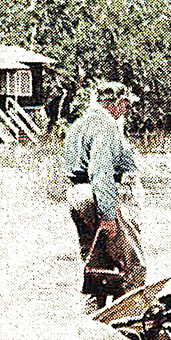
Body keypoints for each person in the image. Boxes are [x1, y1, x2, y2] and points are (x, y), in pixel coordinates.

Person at [61, 81, 146, 306]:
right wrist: (108, 215)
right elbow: (101, 172)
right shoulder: (106, 125)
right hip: (95, 196)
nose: (127, 109)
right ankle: (132, 317)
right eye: (126, 104)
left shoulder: (78, 124)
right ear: (117, 102)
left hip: (76, 195)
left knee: (95, 263)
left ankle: (92, 315)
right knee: (132, 264)